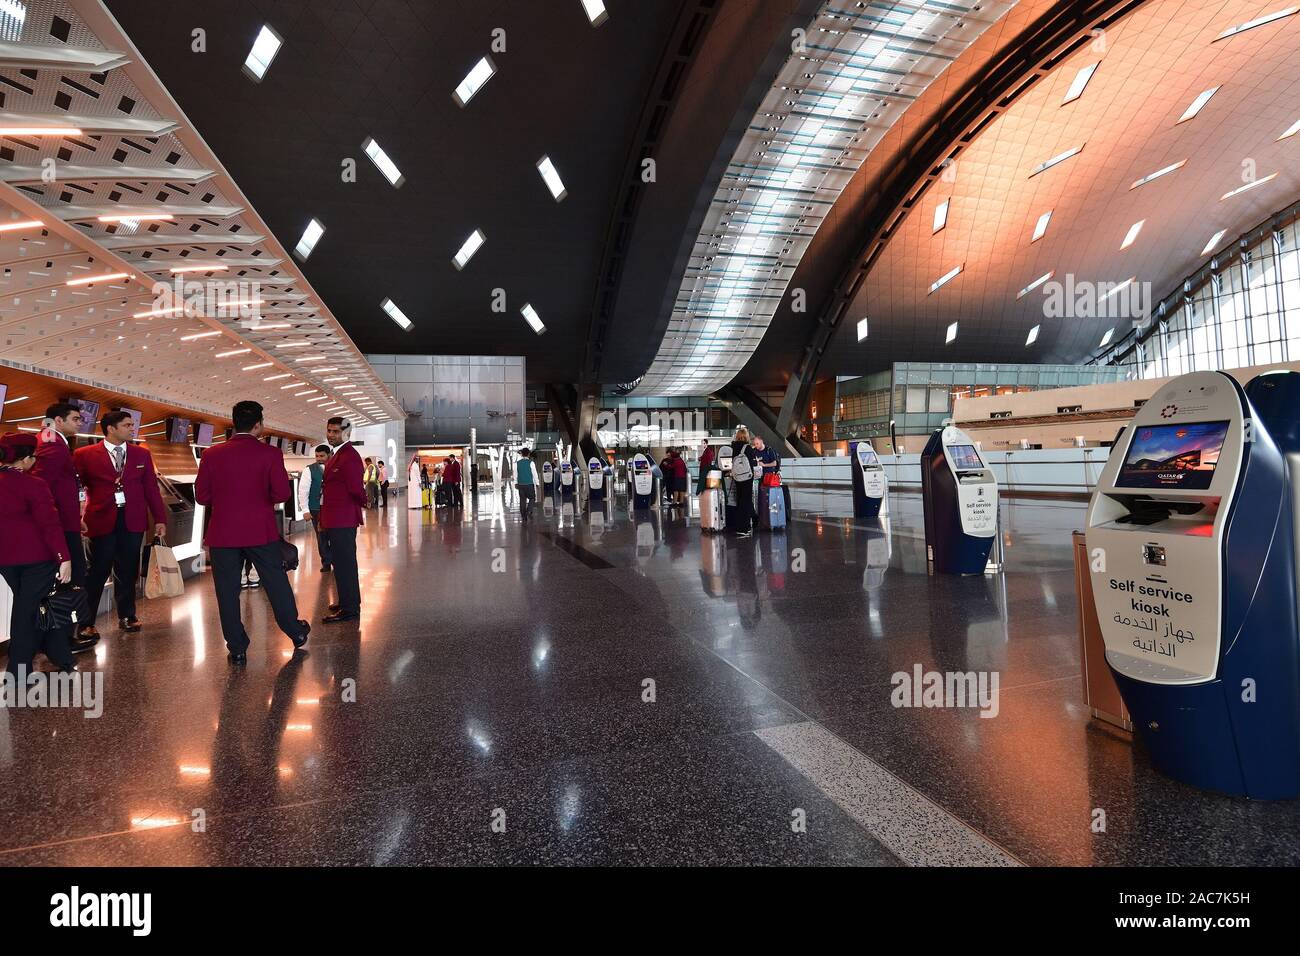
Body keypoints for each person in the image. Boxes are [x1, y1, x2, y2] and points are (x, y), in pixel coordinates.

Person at [194, 401, 310, 664]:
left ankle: (236, 646)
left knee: (227, 590)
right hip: (260, 530)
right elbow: (281, 493)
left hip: (223, 533)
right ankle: (295, 632)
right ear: (259, 425)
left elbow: (202, 496)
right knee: (275, 582)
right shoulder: (270, 454)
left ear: (233, 423)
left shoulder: (211, 455)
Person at [74, 410, 167, 637]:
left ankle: (127, 615)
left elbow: (151, 490)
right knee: (96, 572)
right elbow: (74, 488)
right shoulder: (83, 454)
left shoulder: (141, 455)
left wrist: (160, 519)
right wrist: (76, 515)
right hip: (99, 520)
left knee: (127, 571)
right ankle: (86, 622)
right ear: (111, 428)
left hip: (132, 521)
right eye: (127, 425)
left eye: (131, 425)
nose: (131, 429)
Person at [0, 432, 75, 677]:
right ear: (24, 460)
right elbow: (49, 524)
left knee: (32, 606)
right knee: (27, 611)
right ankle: (18, 672)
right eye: (33, 457)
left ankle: (59, 654)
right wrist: (64, 557)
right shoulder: (34, 484)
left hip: (6, 560)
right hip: (38, 559)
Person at [30, 402, 96, 653]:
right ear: (58, 420)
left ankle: (61, 639)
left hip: (66, 522)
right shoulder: (52, 444)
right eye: (76, 419)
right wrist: (58, 519)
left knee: (69, 581)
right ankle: (63, 640)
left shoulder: (53, 440)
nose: (81, 423)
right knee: (71, 581)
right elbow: (41, 486)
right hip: (60, 527)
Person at [321, 416, 366, 623]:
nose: (331, 435)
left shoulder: (349, 456)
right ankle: (347, 600)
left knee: (346, 563)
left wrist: (363, 503)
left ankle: (350, 608)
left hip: (343, 518)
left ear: (346, 433)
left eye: (336, 431)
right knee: (340, 563)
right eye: (329, 431)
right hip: (335, 518)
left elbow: (356, 488)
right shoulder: (337, 455)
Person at [297, 444, 333, 571]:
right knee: (321, 536)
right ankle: (326, 562)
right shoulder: (309, 470)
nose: (319, 458)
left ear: (329, 455)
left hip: (333, 508)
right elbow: (303, 490)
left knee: (334, 535)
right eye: (317, 456)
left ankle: (336, 559)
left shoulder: (335, 467)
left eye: (322, 456)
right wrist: (305, 510)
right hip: (316, 508)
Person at [728, 426, 757, 538]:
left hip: (737, 478)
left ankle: (740, 526)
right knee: (746, 501)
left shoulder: (734, 448)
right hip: (747, 478)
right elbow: (752, 463)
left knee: (740, 501)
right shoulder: (748, 447)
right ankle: (743, 529)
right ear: (746, 436)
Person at [516, 447, 537, 521]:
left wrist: (516, 483)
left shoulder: (518, 463)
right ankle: (529, 510)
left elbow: (516, 474)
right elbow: (534, 474)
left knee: (522, 500)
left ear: (522, 454)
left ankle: (523, 516)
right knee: (532, 498)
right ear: (528, 454)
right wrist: (537, 483)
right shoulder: (531, 463)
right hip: (529, 484)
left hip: (521, 484)